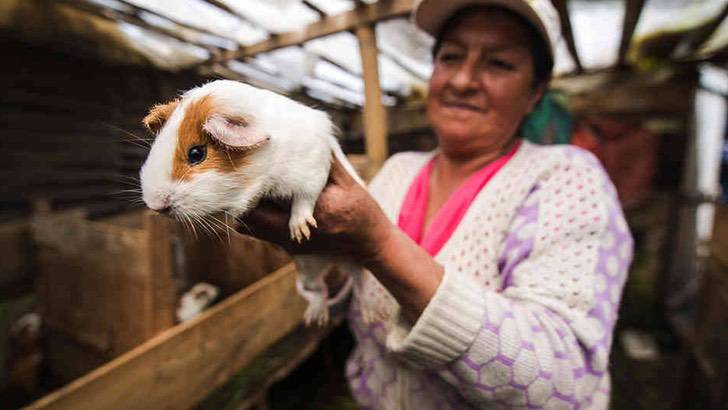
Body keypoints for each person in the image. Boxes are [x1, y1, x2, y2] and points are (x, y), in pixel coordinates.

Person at [243, 0, 633, 408]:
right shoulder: (399, 170)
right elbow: (357, 296)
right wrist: (321, 253)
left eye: (498, 63)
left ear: (535, 93)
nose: (463, 80)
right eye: (450, 57)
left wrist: (379, 244)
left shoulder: (566, 178)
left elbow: (561, 383)